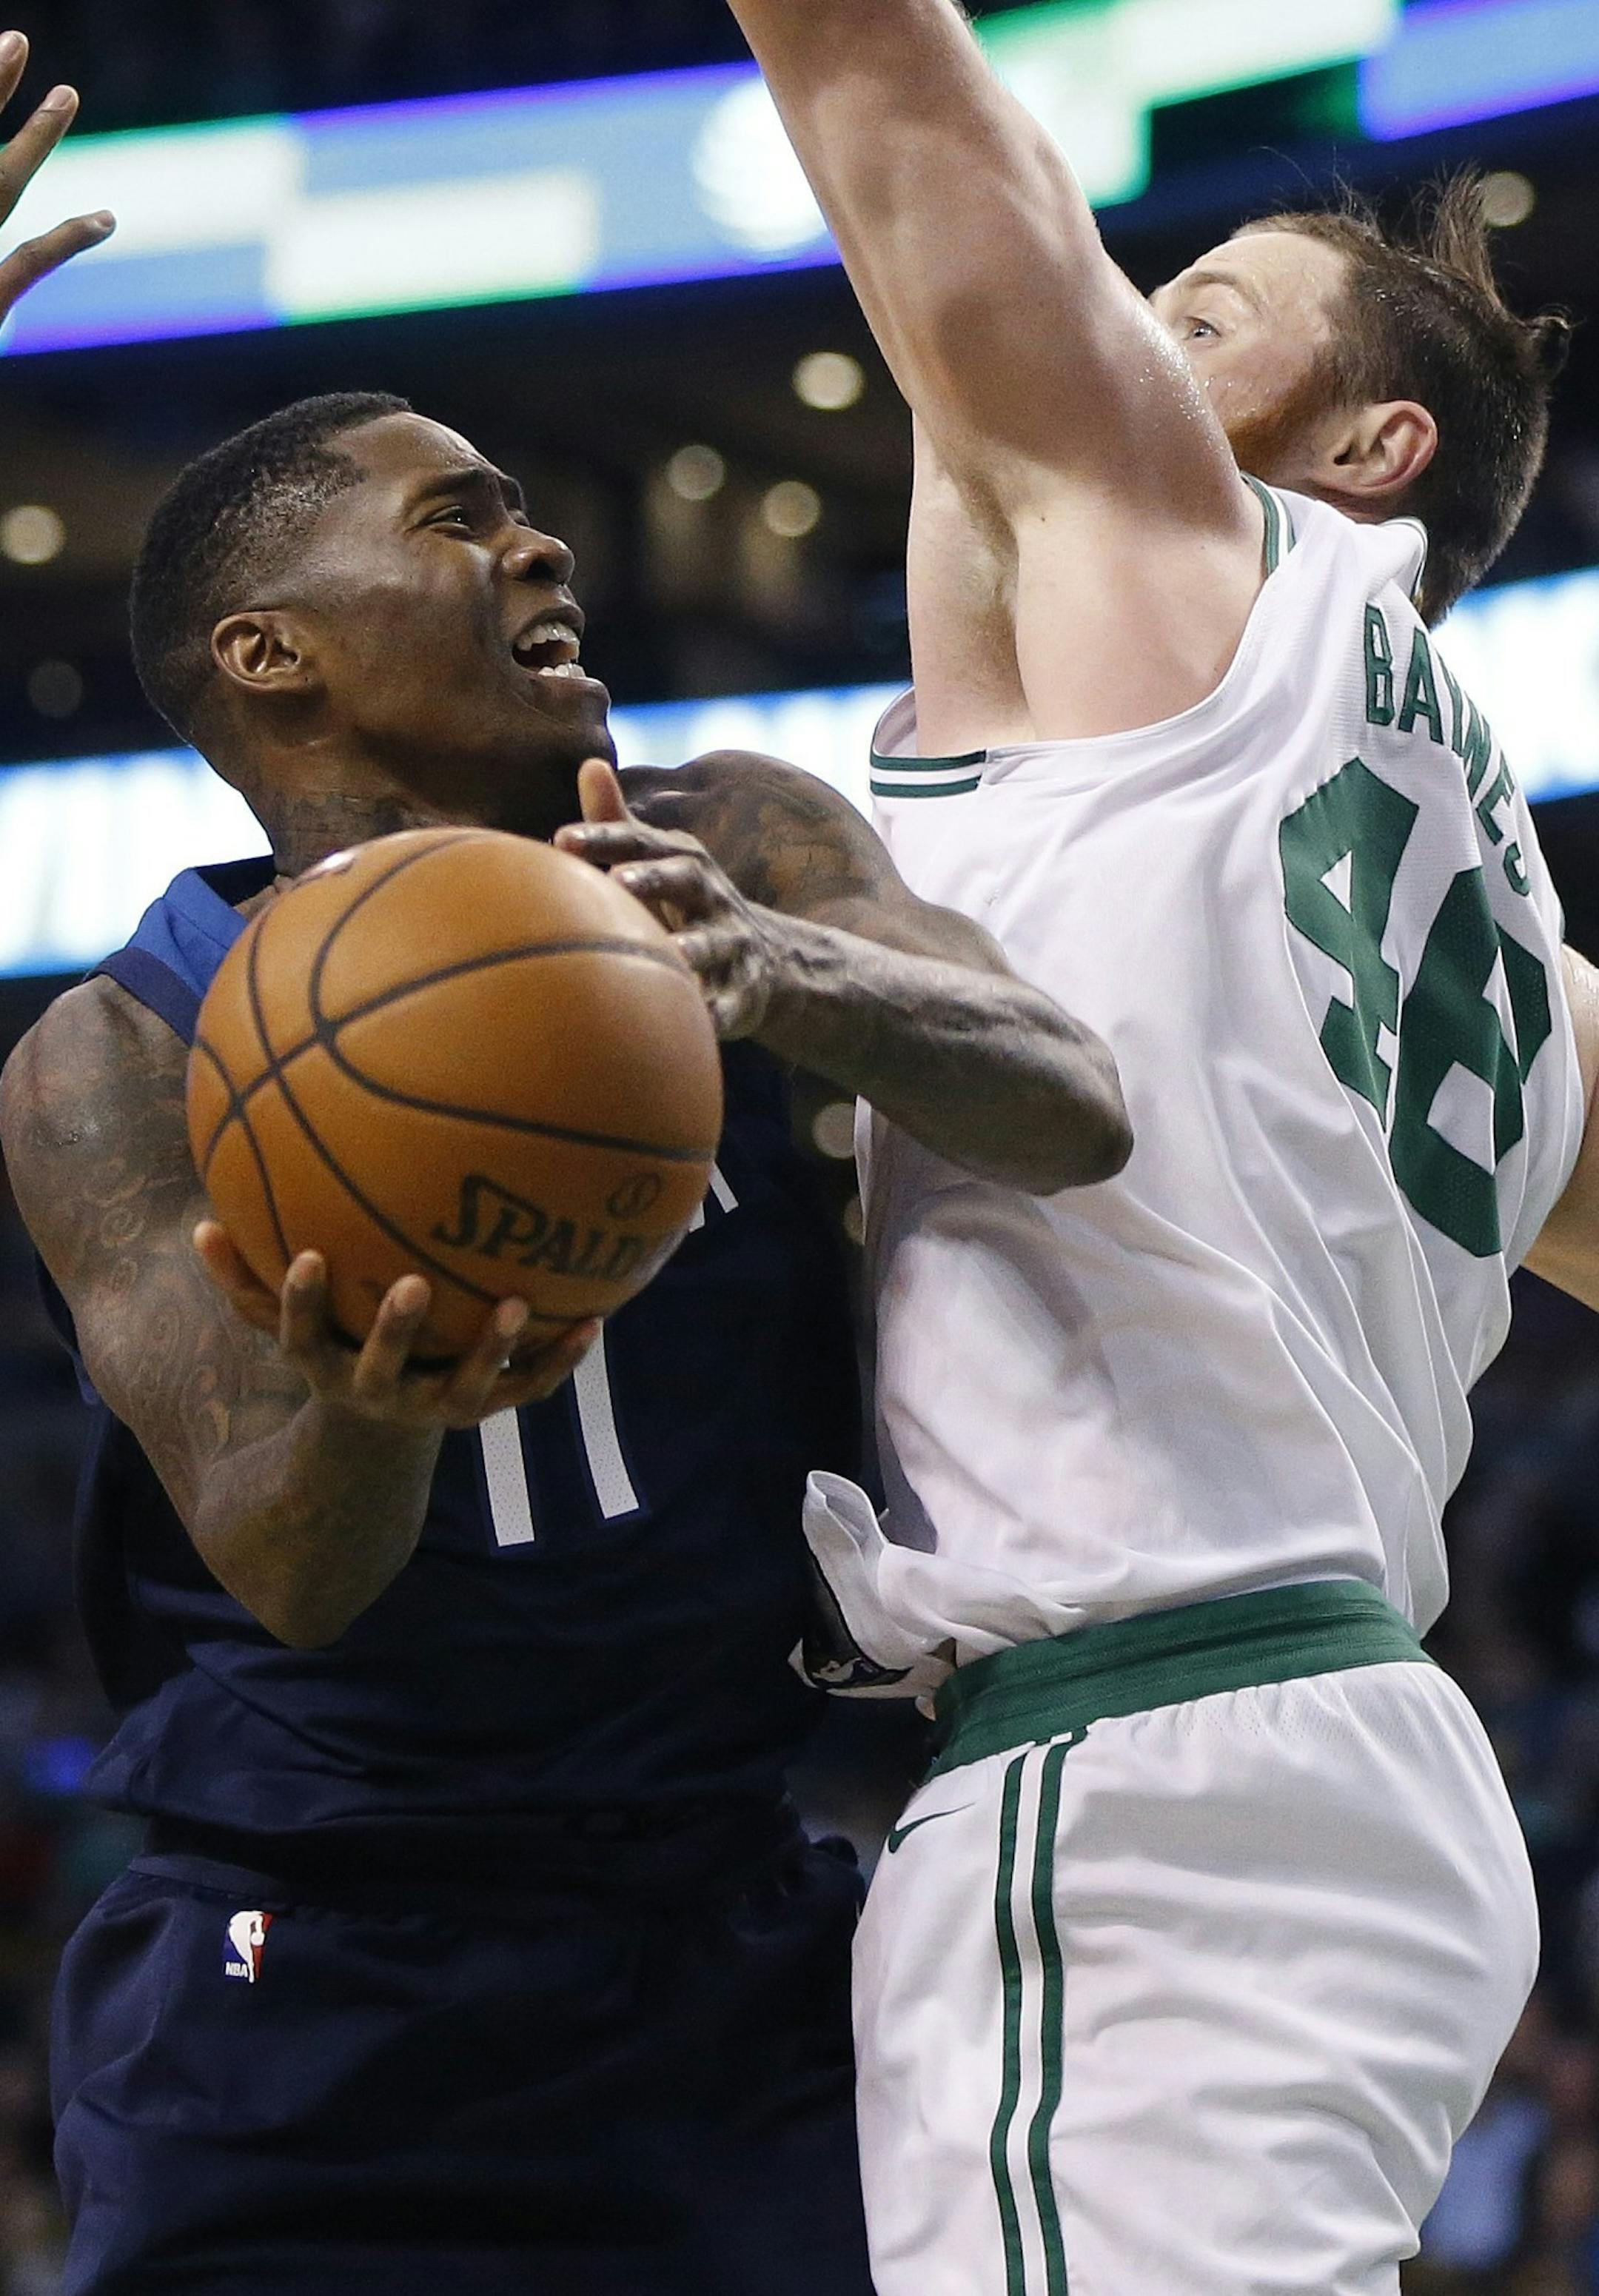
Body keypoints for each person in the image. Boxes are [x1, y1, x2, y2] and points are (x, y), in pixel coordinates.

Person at [0, 106, 1130, 2290]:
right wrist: (379, 1391)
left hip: (728, 1941)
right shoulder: (114, 1051)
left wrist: (768, 971)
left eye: (528, 519)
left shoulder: (738, 840)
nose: (543, 552)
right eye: (461, 521)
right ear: (270, 656)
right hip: (309, 1990)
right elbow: (292, 1561)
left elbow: (1073, 1101)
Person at [721, 1, 1599, 2290]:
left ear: (1371, 444)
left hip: (1157, 1763)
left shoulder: (1187, 575)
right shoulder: (1486, 877)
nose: (1119, 325)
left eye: (1196, 318)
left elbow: (885, 89)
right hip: (1352, 1765)